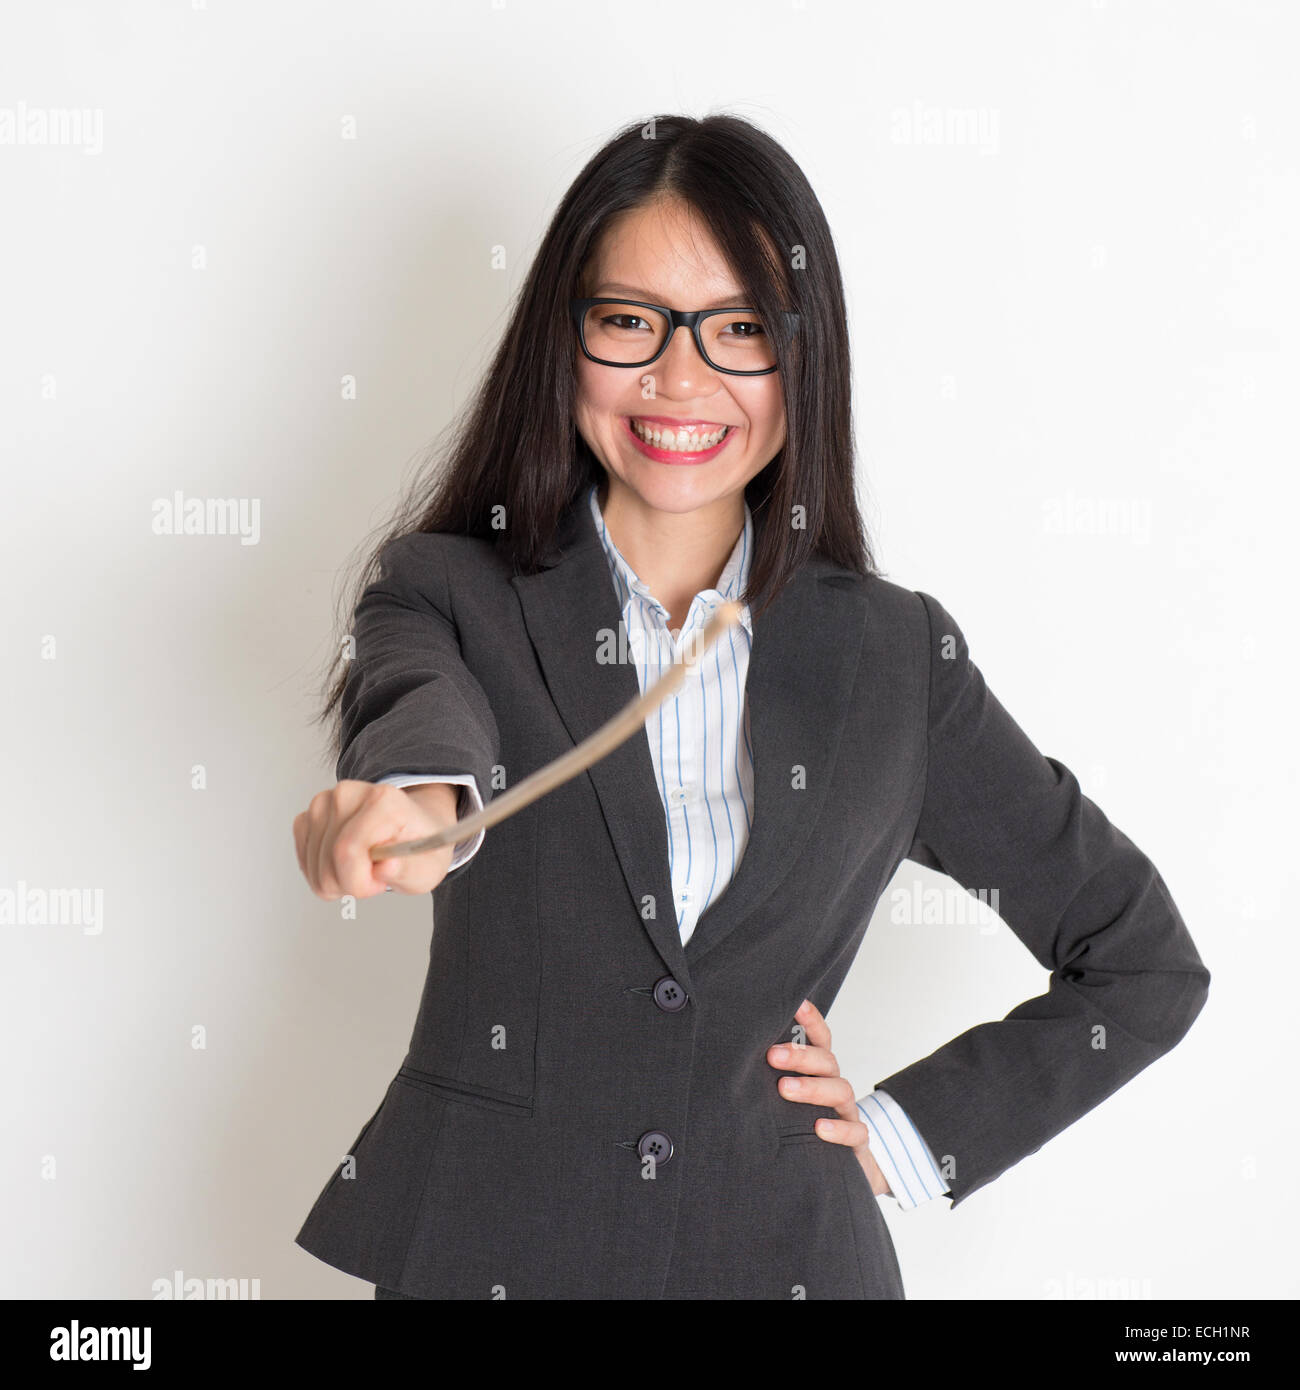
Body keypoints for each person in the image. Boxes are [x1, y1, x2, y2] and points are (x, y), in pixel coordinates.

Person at [291, 113, 1210, 1300]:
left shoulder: (894, 657)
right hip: (490, 1257)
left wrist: (901, 1135)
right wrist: (412, 808)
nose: (680, 378)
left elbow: (1140, 964)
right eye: (630, 322)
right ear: (561, 344)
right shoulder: (444, 587)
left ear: (801, 358)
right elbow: (419, 714)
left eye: (738, 332)